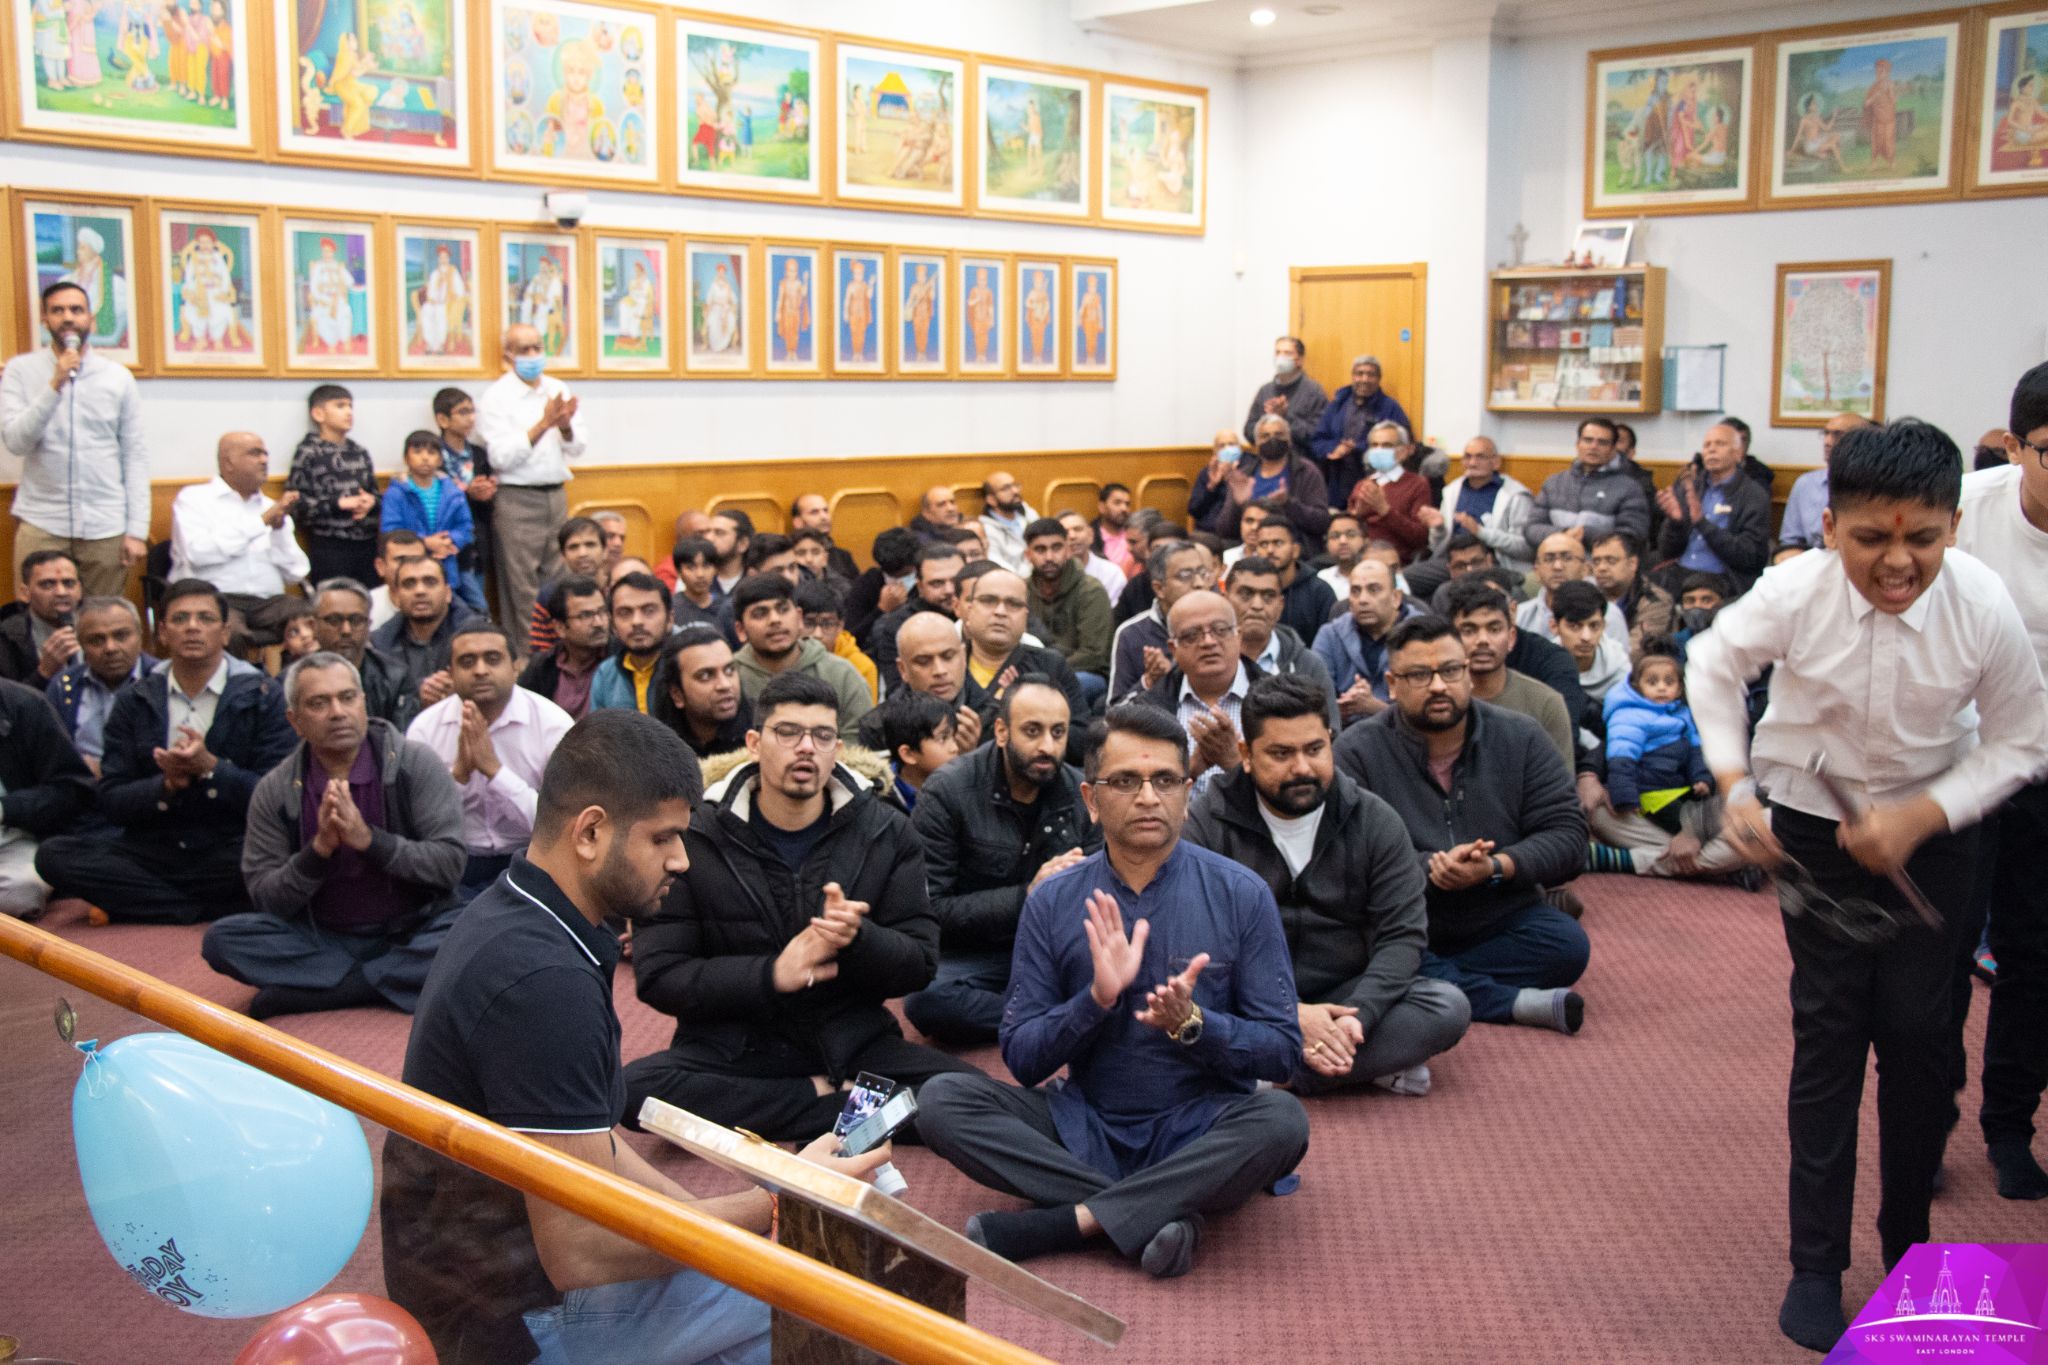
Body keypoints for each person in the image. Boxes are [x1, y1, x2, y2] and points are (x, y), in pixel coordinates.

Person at [1690, 421, 2048, 1351]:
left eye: (1922, 539)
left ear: (1953, 528)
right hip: (1813, 825)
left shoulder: (1982, 602)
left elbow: (2022, 740)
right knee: (1832, 1034)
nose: (1900, 563)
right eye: (1872, 539)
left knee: (1925, 1039)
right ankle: (1817, 1264)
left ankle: (1906, 1252)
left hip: (1940, 830)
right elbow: (1713, 663)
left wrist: (1923, 816)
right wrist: (1733, 784)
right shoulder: (1794, 589)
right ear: (1830, 525)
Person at [381, 709, 887, 1365]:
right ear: (590, 830)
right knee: (862, 1296)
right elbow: (582, 1250)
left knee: (812, 1263)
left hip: (493, 1289)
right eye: (665, 837)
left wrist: (751, 1217)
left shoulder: (528, 910)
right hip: (514, 1324)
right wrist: (778, 1204)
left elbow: (598, 1146)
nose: (682, 857)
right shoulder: (542, 979)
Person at [915, 703, 1308, 1279]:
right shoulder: (1053, 900)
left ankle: (1068, 1222)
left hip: (1200, 1124)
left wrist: (1193, 1022)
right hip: (1086, 1121)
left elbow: (1283, 1051)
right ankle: (1161, 1210)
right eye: (1125, 781)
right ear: (1092, 800)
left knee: (1282, 1120)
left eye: (1165, 781)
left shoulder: (1241, 894)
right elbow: (1022, 1059)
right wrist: (1094, 1002)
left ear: (1188, 792)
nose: (1148, 797)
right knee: (942, 1101)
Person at [621, 672, 975, 1141]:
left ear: (838, 750)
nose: (806, 747)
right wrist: (772, 974)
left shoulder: (886, 832)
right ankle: (838, 1106)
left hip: (851, 1041)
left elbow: (920, 964)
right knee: (636, 1092)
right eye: (788, 732)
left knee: (968, 1092)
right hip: (734, 1048)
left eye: (822, 736)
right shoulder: (697, 837)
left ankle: (825, 1105)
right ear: (753, 742)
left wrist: (858, 939)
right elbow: (660, 976)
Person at [1186, 673, 1470, 1094]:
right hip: (1247, 1001)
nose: (1302, 767)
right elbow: (1195, 941)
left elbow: (1402, 937)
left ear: (1331, 742)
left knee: (1446, 1006)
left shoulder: (1375, 820)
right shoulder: (1209, 822)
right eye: (1281, 753)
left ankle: (1270, 1072)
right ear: (1245, 753)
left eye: (1315, 749)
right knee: (1172, 1010)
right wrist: (1291, 1012)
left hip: (1347, 996)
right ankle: (1355, 1065)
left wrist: (1359, 1018)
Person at [1336, 616, 1590, 1034]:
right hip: (1401, 918)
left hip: (1494, 908)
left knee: (1566, 946)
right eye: (1420, 674)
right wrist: (1430, 869)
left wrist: (1496, 866)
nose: (1438, 686)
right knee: (1356, 949)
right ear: (1392, 684)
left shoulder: (1520, 737)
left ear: (1468, 675)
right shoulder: (1358, 751)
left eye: (1451, 671)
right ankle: (1512, 1003)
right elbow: (1346, 855)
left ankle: (1430, 986)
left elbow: (1568, 836)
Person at [200, 651, 466, 1017]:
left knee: (476, 929)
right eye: (318, 703)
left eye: (346, 698)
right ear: (295, 720)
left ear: (364, 702)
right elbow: (267, 896)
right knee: (222, 940)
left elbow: (449, 864)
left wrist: (371, 842)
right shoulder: (275, 789)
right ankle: (388, 982)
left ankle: (333, 990)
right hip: (323, 937)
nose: (337, 712)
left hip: (414, 930)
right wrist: (318, 850)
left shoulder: (414, 764)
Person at [35, 580, 294, 925]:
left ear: (225, 632)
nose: (192, 627)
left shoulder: (263, 694)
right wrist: (166, 785)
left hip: (231, 844)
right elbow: (112, 799)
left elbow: (279, 800)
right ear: (162, 633)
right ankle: (199, 909)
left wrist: (213, 769)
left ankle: (150, 903)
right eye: (181, 618)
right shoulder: (137, 699)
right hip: (155, 847)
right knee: (54, 856)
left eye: (205, 618)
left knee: (284, 855)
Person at [1957, 363, 2048, 1204]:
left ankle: (2010, 1123)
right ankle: (1930, 1115)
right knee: (1943, 950)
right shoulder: (1967, 510)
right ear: (2014, 445)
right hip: (1965, 763)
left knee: (2035, 953)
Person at [904, 677, 1099, 1045]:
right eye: (1032, 731)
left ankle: (1048, 1011)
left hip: (1055, 948)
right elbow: (930, 910)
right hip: (977, 951)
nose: (1047, 746)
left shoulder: (1081, 793)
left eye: (1058, 732)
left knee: (1127, 977)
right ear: (1002, 731)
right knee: (926, 999)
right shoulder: (949, 791)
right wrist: (1027, 895)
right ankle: (1054, 1017)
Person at [1, 281, 150, 598]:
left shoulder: (118, 377)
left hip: (105, 526)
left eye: (76, 310)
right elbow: (16, 442)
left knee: (101, 623)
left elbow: (134, 455)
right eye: (58, 310)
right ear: (46, 321)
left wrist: (137, 529)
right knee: (35, 622)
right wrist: (54, 384)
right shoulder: (20, 371)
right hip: (43, 522)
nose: (68, 318)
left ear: (91, 320)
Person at [407, 622, 573, 901]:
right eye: (467, 661)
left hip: (534, 862)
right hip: (455, 868)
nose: (481, 670)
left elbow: (561, 827)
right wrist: (458, 774)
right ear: (450, 673)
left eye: (493, 659)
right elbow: (419, 827)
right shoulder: (425, 729)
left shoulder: (553, 725)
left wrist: (494, 772)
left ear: (516, 666)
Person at [1584, 644, 1745, 883]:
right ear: (1637, 686)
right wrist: (1625, 798)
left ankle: (1625, 859)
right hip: (1651, 795)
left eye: (1668, 682)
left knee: (1725, 820)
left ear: (1680, 687)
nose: (1661, 687)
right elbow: (1621, 760)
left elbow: (1695, 752)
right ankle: (1728, 867)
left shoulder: (1682, 715)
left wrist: (1702, 778)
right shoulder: (1628, 715)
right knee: (1701, 827)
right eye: (1653, 682)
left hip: (1679, 789)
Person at [476, 322, 584, 634]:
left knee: (560, 577)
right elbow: (500, 457)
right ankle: (528, 655)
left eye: (538, 347)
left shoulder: (557, 388)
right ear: (508, 355)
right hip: (517, 497)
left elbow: (577, 447)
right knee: (521, 585)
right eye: (525, 349)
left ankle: (560, 647)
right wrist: (542, 425)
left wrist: (563, 426)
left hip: (556, 493)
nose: (534, 355)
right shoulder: (497, 396)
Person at [169, 432, 311, 648]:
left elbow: (296, 573)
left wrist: (279, 530)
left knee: (315, 621)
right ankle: (243, 682)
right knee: (228, 632)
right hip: (215, 598)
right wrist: (261, 522)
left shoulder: (272, 507)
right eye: (255, 453)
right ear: (228, 462)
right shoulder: (194, 499)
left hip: (268, 602)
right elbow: (197, 553)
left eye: (265, 454)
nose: (264, 460)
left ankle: (296, 681)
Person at [1445, 580, 1574, 768]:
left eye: (1494, 629)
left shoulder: (1546, 703)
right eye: (1469, 630)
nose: (1482, 640)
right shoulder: (1439, 701)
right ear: (1451, 639)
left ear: (1511, 637)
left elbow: (1560, 790)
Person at [729, 574, 871, 744]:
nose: (775, 620)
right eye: (760, 613)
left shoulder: (843, 675)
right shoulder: (729, 677)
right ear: (740, 630)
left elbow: (860, 747)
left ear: (799, 617)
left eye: (782, 609)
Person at [959, 568, 1091, 741]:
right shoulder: (947, 664)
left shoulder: (1050, 665)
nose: (1000, 611)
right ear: (969, 610)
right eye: (989, 601)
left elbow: (1081, 736)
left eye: (1013, 604)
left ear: (1025, 616)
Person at [0, 676, 93, 919]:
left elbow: (72, 788)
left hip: (13, 838)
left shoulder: (25, 704)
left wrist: (5, 808)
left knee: (22, 892)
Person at [1655, 421, 1773, 595]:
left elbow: (1751, 557)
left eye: (1720, 444)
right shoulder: (1689, 487)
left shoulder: (1753, 495)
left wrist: (1702, 523)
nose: (1711, 449)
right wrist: (1675, 523)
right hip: (1679, 573)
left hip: (1722, 581)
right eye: (1707, 445)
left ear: (1738, 453)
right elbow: (1666, 552)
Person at [46, 594, 154, 773]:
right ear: (80, 643)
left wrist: (106, 773)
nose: (110, 648)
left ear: (140, 634)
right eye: (96, 640)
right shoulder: (62, 687)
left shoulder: (162, 680)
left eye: (121, 636)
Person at [286, 384, 380, 588]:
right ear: (318, 414)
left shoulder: (359, 451)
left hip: (367, 542)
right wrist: (339, 504)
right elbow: (295, 504)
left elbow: (375, 493)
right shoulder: (308, 452)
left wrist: (371, 502)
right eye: (340, 406)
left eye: (350, 406)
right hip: (330, 545)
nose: (348, 412)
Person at [1190, 415, 1332, 545]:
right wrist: (1238, 505)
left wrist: (1288, 504)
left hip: (1294, 547)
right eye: (1265, 436)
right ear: (1256, 444)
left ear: (1289, 440)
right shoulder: (1244, 475)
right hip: (1249, 548)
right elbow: (1224, 530)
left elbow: (1322, 522)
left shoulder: (1306, 471)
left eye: (1278, 434)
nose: (1272, 439)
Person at [380, 431, 480, 615]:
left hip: (449, 561)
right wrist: (425, 543)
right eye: (418, 452)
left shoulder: (453, 491)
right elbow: (390, 530)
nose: (425, 458)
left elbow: (466, 526)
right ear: (406, 458)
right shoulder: (396, 493)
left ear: (440, 459)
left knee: (476, 607)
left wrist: (449, 541)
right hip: (410, 563)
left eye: (432, 453)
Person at [856, 611, 985, 755]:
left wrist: (973, 758)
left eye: (948, 657)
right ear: (903, 669)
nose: (939, 670)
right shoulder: (877, 727)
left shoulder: (995, 717)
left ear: (963, 656)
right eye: (923, 661)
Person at [1312, 559, 1420, 727]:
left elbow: (1426, 710)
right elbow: (1315, 700)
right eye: (1355, 591)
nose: (1362, 599)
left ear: (1396, 597)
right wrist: (1340, 710)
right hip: (1343, 738)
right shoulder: (1330, 634)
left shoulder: (1422, 634)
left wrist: (1375, 707)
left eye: (1373, 589)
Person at [1524, 418, 1652, 554]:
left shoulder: (1629, 488)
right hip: (1554, 565)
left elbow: (1632, 537)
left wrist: (1586, 534)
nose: (1593, 446)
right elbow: (1531, 529)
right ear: (1578, 444)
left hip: (1600, 569)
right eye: (1588, 440)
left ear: (1613, 449)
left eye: (1602, 442)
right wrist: (1564, 534)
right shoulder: (1554, 483)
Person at [1110, 540, 1215, 702]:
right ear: (1159, 588)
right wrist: (1149, 682)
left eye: (1203, 573)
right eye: (1186, 576)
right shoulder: (1132, 634)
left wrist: (1172, 677)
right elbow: (1114, 714)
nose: (1199, 584)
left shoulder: (1225, 628)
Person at [310, 577, 419, 730]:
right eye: (334, 620)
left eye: (356, 620)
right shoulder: (294, 679)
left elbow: (399, 742)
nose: (346, 630)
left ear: (369, 625)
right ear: (313, 625)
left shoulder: (395, 676)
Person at [1024, 517, 1113, 702]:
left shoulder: (1090, 590)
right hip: (1035, 671)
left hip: (1087, 673)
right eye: (1040, 549)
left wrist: (1047, 672)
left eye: (1056, 548)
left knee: (1048, 692)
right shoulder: (1021, 590)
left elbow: (1093, 655)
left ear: (1067, 550)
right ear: (1028, 555)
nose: (1049, 557)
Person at [1311, 354, 1415, 511]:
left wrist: (1357, 448)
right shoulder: (1337, 405)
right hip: (1335, 481)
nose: (1364, 379)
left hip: (1378, 482)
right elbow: (1317, 440)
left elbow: (1404, 445)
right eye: (1359, 374)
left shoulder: (1390, 408)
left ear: (1379, 378)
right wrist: (1335, 448)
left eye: (1370, 374)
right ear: (1353, 377)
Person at [1423, 436, 1534, 580]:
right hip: (1452, 562)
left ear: (1496, 462)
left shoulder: (1516, 495)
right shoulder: (1451, 491)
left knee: (1446, 593)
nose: (1472, 463)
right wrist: (1437, 529)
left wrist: (1480, 532)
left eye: (1480, 457)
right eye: (1467, 457)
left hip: (1495, 564)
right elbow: (1436, 546)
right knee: (1407, 578)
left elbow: (1525, 548)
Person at [371, 555, 477, 705]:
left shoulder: (476, 638)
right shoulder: (379, 646)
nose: (420, 591)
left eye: (430, 582)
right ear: (397, 597)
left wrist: (461, 691)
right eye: (409, 584)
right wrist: (415, 699)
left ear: (448, 593)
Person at [1224, 557, 1335, 698]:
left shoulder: (1308, 665)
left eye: (1268, 596)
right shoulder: (1205, 658)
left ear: (1281, 605)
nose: (1257, 605)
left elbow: (1329, 720)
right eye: (1246, 594)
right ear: (1225, 599)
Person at [432, 387, 497, 610]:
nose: (470, 418)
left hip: (477, 539)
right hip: (446, 540)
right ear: (442, 419)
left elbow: (489, 497)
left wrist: (487, 494)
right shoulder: (431, 454)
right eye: (462, 412)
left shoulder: (479, 454)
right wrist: (467, 492)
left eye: (472, 411)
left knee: (476, 601)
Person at [871, 543, 964, 692]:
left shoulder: (978, 615)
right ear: (920, 586)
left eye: (955, 581)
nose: (949, 590)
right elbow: (897, 691)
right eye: (937, 583)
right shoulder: (896, 626)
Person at [647, 626, 749, 760]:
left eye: (729, 670)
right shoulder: (657, 752)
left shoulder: (760, 734)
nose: (725, 685)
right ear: (677, 694)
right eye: (705, 676)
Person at [1778, 413, 1873, 554]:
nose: (1827, 441)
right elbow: (1790, 540)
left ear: (1862, 442)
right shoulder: (1805, 484)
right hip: (1811, 561)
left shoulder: (1875, 485)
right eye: (1826, 433)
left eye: (1837, 435)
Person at [518, 575, 608, 720]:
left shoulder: (620, 658)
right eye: (585, 615)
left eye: (602, 612)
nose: (599, 622)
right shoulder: (542, 666)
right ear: (559, 627)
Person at [1519, 533, 1629, 648]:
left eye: (1567, 558)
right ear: (1536, 571)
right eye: (1549, 559)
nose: (1558, 566)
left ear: (1585, 569)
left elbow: (1618, 662)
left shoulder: (1608, 614)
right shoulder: (1520, 615)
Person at [1345, 422, 1432, 562]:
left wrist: (1384, 510)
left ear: (1404, 451)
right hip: (1357, 555)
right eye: (1374, 445)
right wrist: (1357, 515)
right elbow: (1349, 527)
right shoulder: (1363, 484)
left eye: (1386, 446)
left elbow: (1420, 538)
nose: (1379, 450)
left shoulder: (1417, 484)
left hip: (1395, 558)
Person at [527, 517, 611, 653]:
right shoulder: (549, 596)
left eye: (590, 545)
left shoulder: (620, 590)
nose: (582, 553)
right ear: (563, 556)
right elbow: (541, 652)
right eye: (573, 547)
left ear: (605, 551)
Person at [1248, 514, 1335, 643]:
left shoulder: (1319, 591)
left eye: (1278, 543)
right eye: (1263, 544)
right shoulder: (1248, 589)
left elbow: (1329, 642)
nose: (1270, 550)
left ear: (1295, 550)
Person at [1588, 531, 1676, 658]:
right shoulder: (1587, 594)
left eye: (1611, 561)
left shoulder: (1655, 600)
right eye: (1596, 562)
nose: (1601, 568)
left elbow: (1635, 650)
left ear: (1632, 563)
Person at [0, 549, 82, 685]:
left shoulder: (100, 625)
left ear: (79, 590)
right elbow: (6, 704)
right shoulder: (7, 638)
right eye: (47, 584)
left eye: (68, 583)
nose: (61, 592)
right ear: (25, 593)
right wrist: (44, 673)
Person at [872, 689, 960, 812]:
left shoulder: (962, 786)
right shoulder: (878, 802)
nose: (954, 748)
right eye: (942, 738)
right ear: (908, 754)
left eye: (954, 737)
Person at [1242, 335, 1329, 458]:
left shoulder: (1314, 392)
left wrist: (1285, 417)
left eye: (1287, 353)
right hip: (1267, 463)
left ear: (1299, 360)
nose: (1281, 357)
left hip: (1300, 466)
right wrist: (1266, 424)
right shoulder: (1265, 391)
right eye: (1277, 352)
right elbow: (1248, 431)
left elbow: (1317, 435)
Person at [794, 579, 876, 702]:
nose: (817, 634)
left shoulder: (861, 666)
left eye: (827, 624)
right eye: (808, 623)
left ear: (840, 626)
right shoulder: (782, 657)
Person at [1552, 580, 1628, 705]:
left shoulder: (1620, 667)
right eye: (1575, 626)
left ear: (1604, 625)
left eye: (1594, 626)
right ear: (1554, 626)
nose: (1586, 637)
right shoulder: (1543, 665)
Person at [978, 471, 1042, 575]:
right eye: (1006, 488)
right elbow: (997, 563)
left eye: (1015, 485)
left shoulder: (1030, 514)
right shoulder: (986, 529)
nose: (1015, 491)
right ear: (991, 500)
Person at [1061, 509, 1128, 604]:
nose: (1072, 536)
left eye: (1078, 529)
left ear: (1091, 535)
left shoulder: (1112, 573)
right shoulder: (1051, 574)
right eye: (1065, 532)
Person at [789, 494, 861, 581]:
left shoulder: (843, 556)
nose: (824, 517)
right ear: (798, 522)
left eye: (826, 511)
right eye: (814, 512)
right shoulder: (787, 557)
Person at [1093, 483, 1139, 575]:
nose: (1124, 508)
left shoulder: (1136, 534)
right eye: (1117, 503)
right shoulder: (1091, 538)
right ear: (1102, 507)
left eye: (1127, 504)